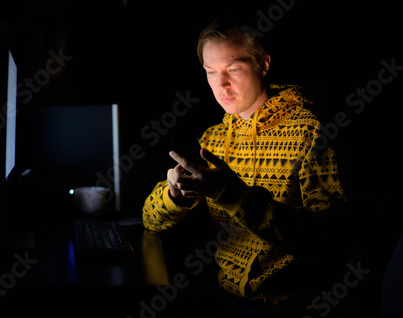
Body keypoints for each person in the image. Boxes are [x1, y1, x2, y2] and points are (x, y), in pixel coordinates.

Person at [142, 18, 350, 317]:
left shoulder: (312, 131)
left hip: (295, 303)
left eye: (234, 69)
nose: (221, 84)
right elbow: (150, 220)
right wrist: (175, 196)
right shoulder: (213, 139)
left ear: (263, 65)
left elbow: (331, 241)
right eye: (211, 72)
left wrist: (235, 196)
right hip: (226, 295)